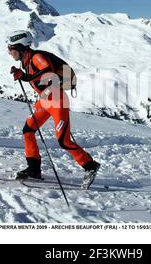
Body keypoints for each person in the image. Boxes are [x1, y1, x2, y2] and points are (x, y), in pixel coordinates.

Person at [7, 30, 100, 188]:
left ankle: (90, 166)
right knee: (28, 130)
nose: (9, 52)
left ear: (21, 47)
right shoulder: (26, 61)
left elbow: (49, 72)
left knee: (63, 140)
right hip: (46, 101)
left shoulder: (36, 57)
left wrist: (26, 77)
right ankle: (34, 170)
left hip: (57, 101)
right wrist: (20, 73)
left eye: (11, 49)